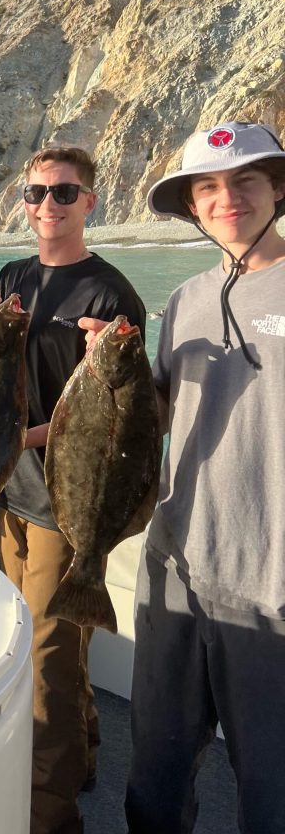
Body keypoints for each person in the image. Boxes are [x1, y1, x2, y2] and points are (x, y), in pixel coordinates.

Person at [0, 145, 145, 834]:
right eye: (36, 193)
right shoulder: (15, 276)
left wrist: (27, 440)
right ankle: (86, 756)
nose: (49, 204)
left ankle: (49, 815)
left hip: (64, 507)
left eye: (65, 193)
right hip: (10, 498)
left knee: (48, 664)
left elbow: (126, 419)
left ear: (90, 203)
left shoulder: (112, 294)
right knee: (46, 649)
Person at [124, 121, 285, 834]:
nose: (229, 199)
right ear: (191, 205)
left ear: (277, 189)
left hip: (272, 585)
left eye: (246, 180)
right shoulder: (186, 300)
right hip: (176, 570)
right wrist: (114, 374)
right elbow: (157, 417)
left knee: (270, 791)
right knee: (154, 782)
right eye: (209, 187)